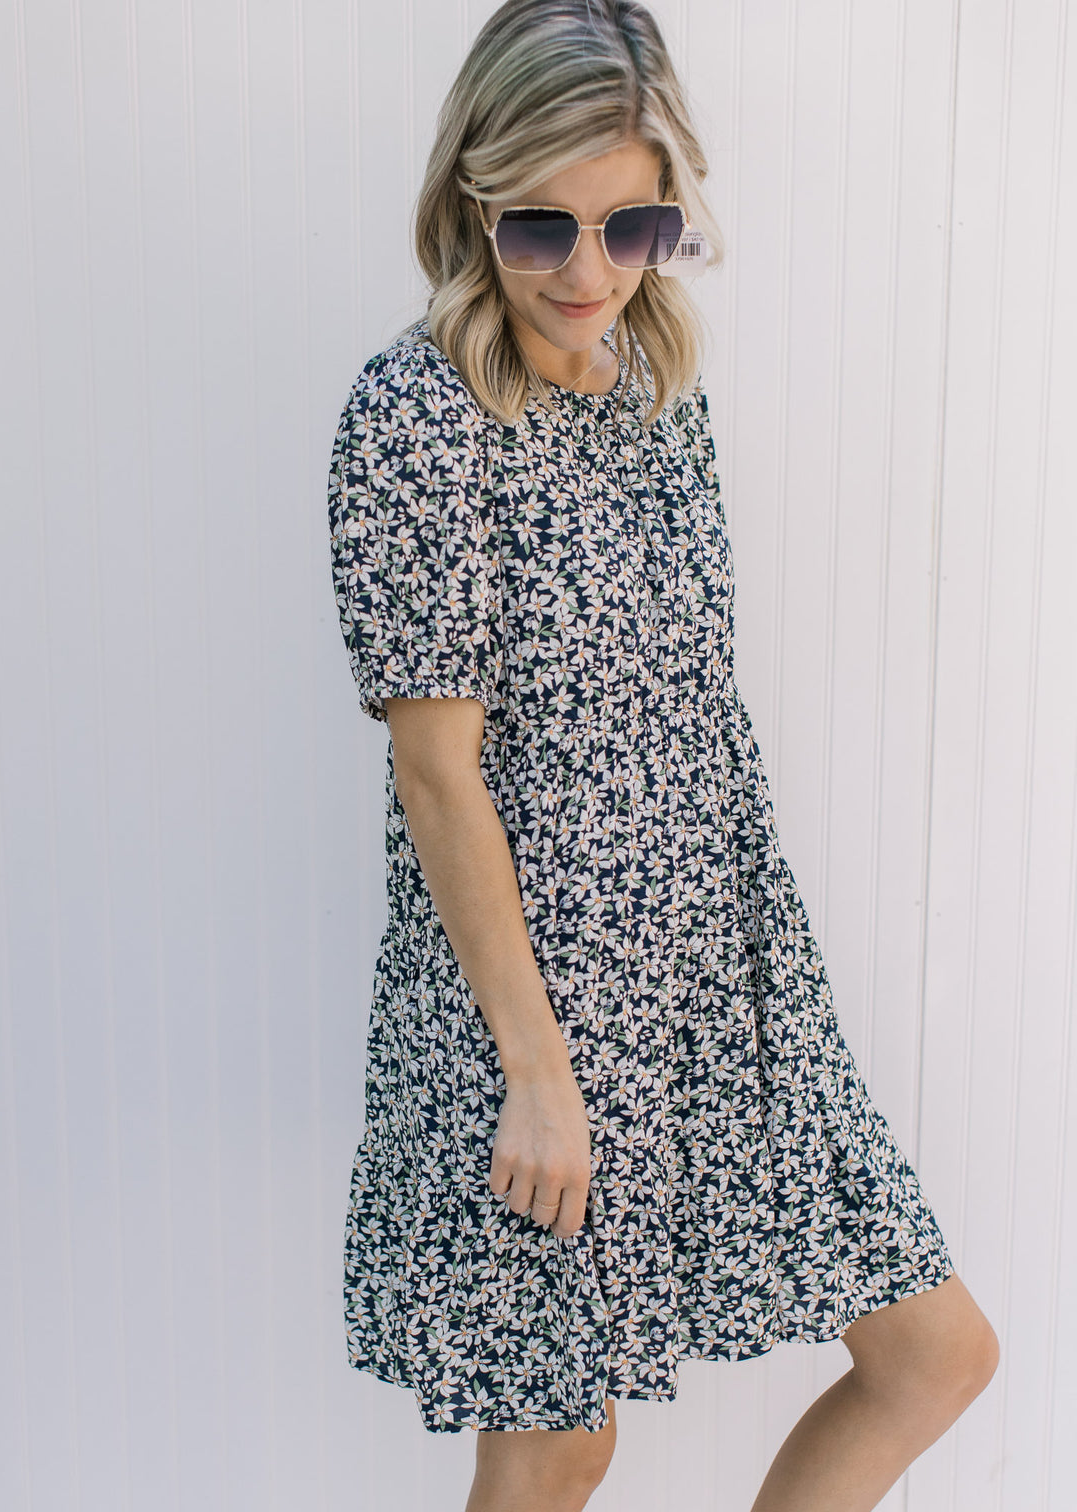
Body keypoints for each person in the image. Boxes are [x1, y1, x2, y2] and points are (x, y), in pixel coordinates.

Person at [326, 2, 999, 1508]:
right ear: (467, 204)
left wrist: (764, 982)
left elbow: (693, 711)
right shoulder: (413, 421)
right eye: (539, 229)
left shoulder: (653, 390)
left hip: (717, 977)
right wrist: (535, 1070)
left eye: (633, 226)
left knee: (934, 1354)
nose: (588, 275)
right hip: (538, 1006)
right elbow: (438, 776)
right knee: (564, 1441)